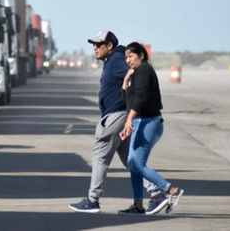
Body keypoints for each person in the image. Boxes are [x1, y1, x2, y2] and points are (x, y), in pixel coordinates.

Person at [69, 31, 168, 215]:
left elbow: (141, 71)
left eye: (99, 44)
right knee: (130, 160)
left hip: (117, 116)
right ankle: (156, 194)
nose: (95, 48)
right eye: (94, 44)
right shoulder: (111, 61)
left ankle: (92, 200)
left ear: (110, 46)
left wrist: (137, 98)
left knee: (99, 155)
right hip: (120, 116)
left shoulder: (117, 59)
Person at [117, 42, 184, 215]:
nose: (128, 60)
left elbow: (141, 98)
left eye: (130, 56)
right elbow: (128, 101)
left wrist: (129, 119)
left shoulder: (145, 71)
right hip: (140, 122)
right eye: (126, 57)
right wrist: (125, 81)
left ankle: (170, 191)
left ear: (141, 55)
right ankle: (138, 206)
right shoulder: (135, 74)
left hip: (148, 122)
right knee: (133, 163)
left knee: (136, 163)